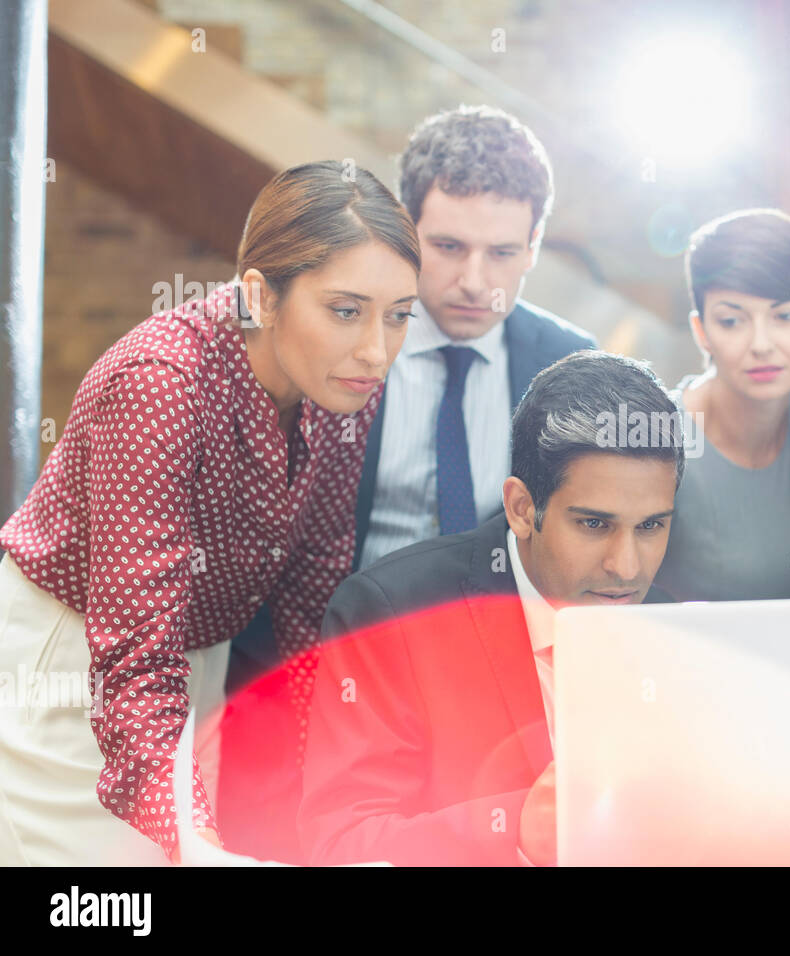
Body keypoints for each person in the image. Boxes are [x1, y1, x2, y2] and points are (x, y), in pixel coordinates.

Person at [0, 160, 419, 865]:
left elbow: (312, 585)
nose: (378, 350)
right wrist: (195, 840)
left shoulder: (348, 378)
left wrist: (337, 782)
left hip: (193, 661)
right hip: (75, 658)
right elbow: (133, 656)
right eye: (346, 310)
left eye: (400, 316)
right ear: (259, 294)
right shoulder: (160, 384)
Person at [219, 106, 597, 848]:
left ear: (535, 247)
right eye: (448, 247)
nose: (473, 281)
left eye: (503, 253)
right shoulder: (333, 342)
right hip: (313, 672)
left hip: (489, 694)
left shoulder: (568, 363)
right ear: (404, 232)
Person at [298, 351, 683, 866]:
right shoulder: (391, 615)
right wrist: (518, 829)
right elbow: (339, 843)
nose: (627, 566)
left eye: (651, 526)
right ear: (522, 508)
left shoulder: (679, 633)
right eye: (594, 525)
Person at [653, 209, 790, 602]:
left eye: (785, 316)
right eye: (732, 322)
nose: (761, 344)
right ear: (701, 332)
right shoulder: (655, 438)